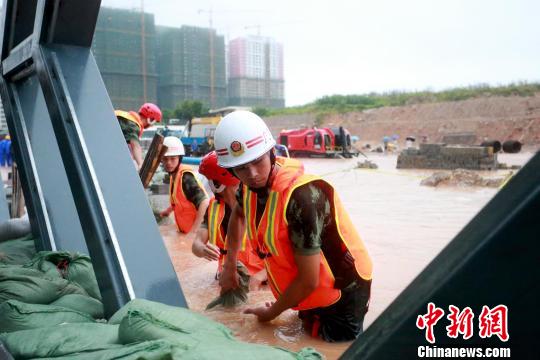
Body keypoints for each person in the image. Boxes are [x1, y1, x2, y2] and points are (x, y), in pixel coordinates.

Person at [215, 111, 373, 342]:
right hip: (308, 285)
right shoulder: (247, 188)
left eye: (258, 162)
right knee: (306, 333)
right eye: (241, 168)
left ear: (271, 152)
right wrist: (229, 264)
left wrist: (271, 312)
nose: (253, 175)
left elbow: (309, 280)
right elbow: (238, 213)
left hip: (344, 288)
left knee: (334, 347)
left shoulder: (303, 198)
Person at [194, 151, 264, 278]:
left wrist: (261, 277)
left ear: (217, 182)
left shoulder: (259, 205)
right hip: (227, 278)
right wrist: (201, 249)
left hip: (257, 281)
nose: (207, 184)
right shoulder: (213, 207)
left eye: (209, 179)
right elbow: (197, 243)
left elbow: (282, 256)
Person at [159, 136, 209, 240]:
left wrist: (193, 232)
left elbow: (204, 203)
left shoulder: (186, 178)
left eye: (173, 159)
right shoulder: (175, 176)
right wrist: (168, 211)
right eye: (165, 159)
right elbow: (179, 200)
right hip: (185, 232)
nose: (168, 163)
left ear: (180, 158)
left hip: (196, 235)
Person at [115, 103, 162, 170]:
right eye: (154, 122)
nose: (152, 125)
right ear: (150, 119)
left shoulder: (126, 118)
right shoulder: (133, 125)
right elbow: (135, 145)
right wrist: (140, 164)